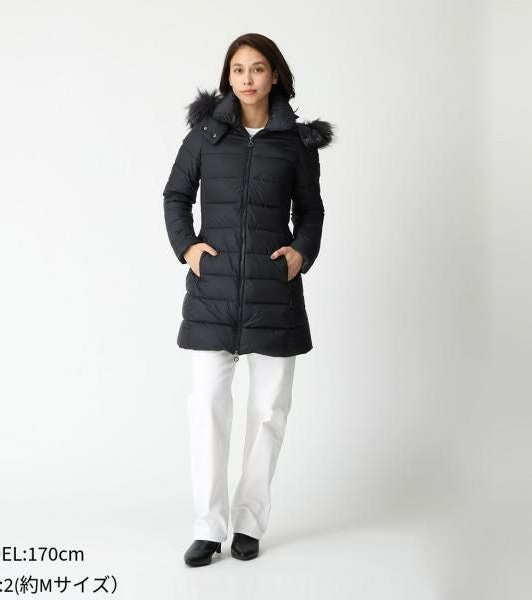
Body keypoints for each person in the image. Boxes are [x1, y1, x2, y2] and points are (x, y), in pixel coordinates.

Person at [163, 32, 334, 567]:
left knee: (268, 412)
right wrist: (188, 247)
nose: (247, 78)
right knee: (207, 408)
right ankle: (208, 527)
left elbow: (312, 210)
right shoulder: (205, 136)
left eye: (257, 68)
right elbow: (175, 195)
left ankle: (248, 524)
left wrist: (300, 253)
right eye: (237, 69)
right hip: (212, 293)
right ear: (228, 77)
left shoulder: (296, 144)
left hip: (272, 293)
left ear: (274, 75)